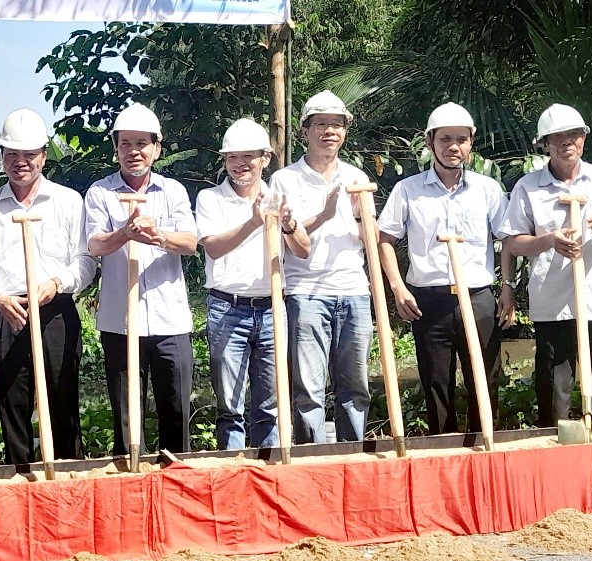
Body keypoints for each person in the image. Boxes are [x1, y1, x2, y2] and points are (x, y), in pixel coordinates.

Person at [0, 109, 96, 464]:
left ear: (43, 156)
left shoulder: (68, 202)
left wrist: (57, 283)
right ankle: (20, 480)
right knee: (13, 405)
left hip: (55, 311)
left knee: (63, 402)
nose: (20, 162)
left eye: (28, 155)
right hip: (8, 313)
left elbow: (85, 261)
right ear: (2, 157)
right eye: (12, 155)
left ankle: (69, 478)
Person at [377, 103, 516, 435]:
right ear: (430, 143)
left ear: (471, 143)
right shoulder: (407, 190)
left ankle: (484, 454)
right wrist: (398, 287)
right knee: (436, 386)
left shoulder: (488, 190)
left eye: (462, 139)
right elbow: (385, 238)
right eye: (445, 139)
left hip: (478, 299)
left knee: (485, 381)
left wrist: (508, 287)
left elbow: (509, 239)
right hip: (429, 302)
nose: (454, 147)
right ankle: (443, 454)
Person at [500, 104, 592, 426]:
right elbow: (512, 242)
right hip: (554, 306)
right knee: (554, 395)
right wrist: (548, 240)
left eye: (574, 135)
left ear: (583, 140)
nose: (567, 142)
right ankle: (555, 459)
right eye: (558, 137)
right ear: (545, 143)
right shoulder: (528, 187)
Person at [84, 102, 199, 456]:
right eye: (125, 143)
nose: (133, 151)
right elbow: (94, 244)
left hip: (170, 320)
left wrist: (158, 235)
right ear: (116, 147)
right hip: (121, 321)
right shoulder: (99, 193)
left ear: (156, 148)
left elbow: (190, 242)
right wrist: (125, 232)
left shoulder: (173, 191)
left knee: (176, 408)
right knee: (126, 415)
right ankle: (129, 477)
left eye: (141, 143)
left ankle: (176, 474)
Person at [269, 91, 373, 443]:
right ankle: (312, 455)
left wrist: (359, 213)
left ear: (345, 131)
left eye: (336, 124)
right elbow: (290, 240)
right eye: (321, 124)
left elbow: (370, 239)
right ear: (305, 131)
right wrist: (324, 215)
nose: (329, 131)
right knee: (308, 388)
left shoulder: (357, 176)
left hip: (354, 290)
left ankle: (353, 451)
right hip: (306, 292)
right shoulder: (285, 179)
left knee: (355, 384)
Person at [196, 118, 304, 450]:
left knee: (270, 403)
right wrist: (254, 220)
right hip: (227, 307)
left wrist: (287, 223)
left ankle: (269, 468)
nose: (240, 164)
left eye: (248, 157)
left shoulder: (280, 196)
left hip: (272, 308)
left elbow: (302, 248)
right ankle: (233, 469)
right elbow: (212, 246)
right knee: (230, 404)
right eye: (232, 157)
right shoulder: (210, 198)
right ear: (224, 160)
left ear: (265, 158)